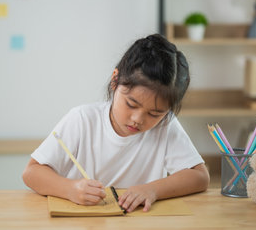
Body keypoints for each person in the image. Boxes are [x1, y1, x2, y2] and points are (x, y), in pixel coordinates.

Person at [23, 34, 209, 213]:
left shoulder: (165, 127)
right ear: (115, 80)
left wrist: (152, 190)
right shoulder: (82, 120)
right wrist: (70, 189)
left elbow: (200, 176)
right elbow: (32, 173)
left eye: (154, 113)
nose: (138, 119)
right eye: (131, 104)